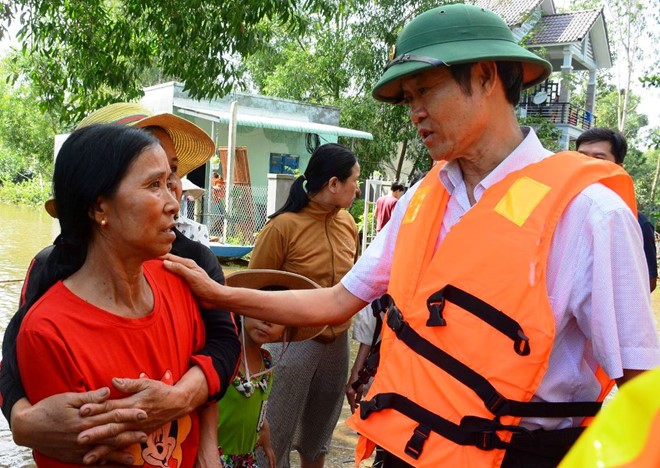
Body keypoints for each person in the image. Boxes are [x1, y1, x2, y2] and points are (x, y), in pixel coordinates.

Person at [163, 4, 660, 468]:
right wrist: (222, 294)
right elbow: (337, 301)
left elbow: (642, 393)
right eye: (408, 98)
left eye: (426, 90)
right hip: (407, 450)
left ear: (486, 76)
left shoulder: (590, 215)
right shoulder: (425, 198)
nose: (414, 111)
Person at [0, 103, 240, 465]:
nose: (175, 200)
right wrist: (22, 420)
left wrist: (181, 403)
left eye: (170, 173)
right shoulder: (49, 301)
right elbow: (17, 353)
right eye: (153, 182)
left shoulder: (186, 272)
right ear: (99, 207)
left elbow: (225, 343)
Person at [250, 143, 360, 468]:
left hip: (336, 345)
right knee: (275, 432)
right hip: (291, 343)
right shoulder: (283, 227)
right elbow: (254, 288)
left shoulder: (348, 224)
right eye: (354, 179)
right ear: (334, 184)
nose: (358, 187)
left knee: (319, 434)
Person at [212, 269, 326, 468]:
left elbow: (259, 404)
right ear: (242, 310)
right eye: (260, 309)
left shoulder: (266, 363)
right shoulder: (223, 357)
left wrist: (264, 429)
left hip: (245, 459)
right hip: (212, 457)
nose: (267, 320)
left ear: (287, 328)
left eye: (277, 315)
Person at [576, 127, 658, 292]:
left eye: (599, 157)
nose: (586, 163)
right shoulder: (560, 208)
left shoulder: (634, 220)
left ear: (618, 167)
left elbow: (649, 282)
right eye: (581, 156)